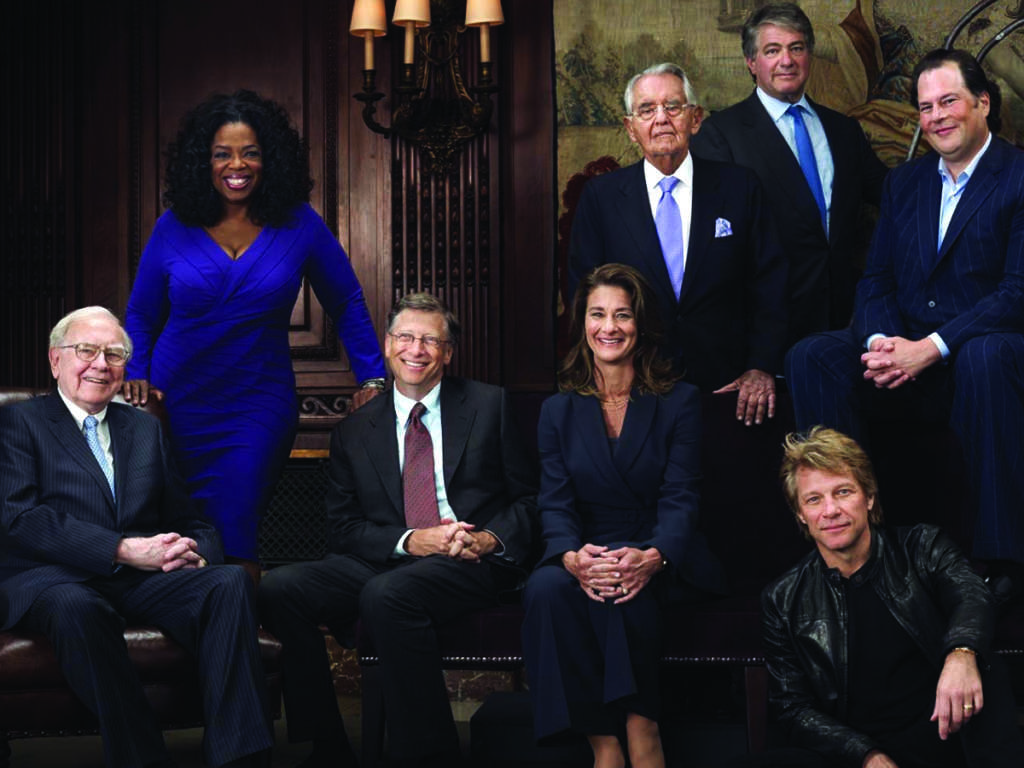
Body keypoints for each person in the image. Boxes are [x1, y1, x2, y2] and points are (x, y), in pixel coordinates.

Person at [258, 293, 538, 768]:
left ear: (448, 353)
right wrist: (410, 541)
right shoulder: (354, 430)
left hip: (467, 557)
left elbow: (531, 500)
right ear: (388, 346)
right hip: (389, 556)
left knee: (388, 595)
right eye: (405, 337)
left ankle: (430, 756)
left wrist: (488, 539)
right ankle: (327, 746)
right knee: (281, 588)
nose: (416, 349)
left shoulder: (489, 405)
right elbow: (344, 529)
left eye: (431, 340)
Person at [785, 49, 1024, 594]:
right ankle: (850, 548)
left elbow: (1017, 293)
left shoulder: (1018, 176)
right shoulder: (905, 183)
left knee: (987, 355)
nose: (936, 116)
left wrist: (931, 347)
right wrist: (881, 343)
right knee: (812, 355)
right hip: (905, 352)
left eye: (948, 101)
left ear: (983, 102)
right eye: (925, 107)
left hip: (982, 357)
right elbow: (876, 280)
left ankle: (1001, 561)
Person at [123, 89, 386, 580]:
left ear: (271, 159)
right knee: (181, 535)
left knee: (236, 524)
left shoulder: (300, 224)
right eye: (222, 153)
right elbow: (141, 313)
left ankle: (240, 626)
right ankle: (199, 625)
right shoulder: (172, 226)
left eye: (250, 152)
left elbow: (347, 301)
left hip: (257, 403)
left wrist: (372, 378)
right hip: (177, 401)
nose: (236, 165)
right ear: (203, 161)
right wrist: (136, 372)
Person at [0, 306, 273, 768]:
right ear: (55, 360)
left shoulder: (143, 427)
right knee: (78, 606)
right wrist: (122, 549)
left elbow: (189, 518)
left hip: (141, 579)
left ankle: (238, 757)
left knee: (227, 583)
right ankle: (142, 756)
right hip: (55, 578)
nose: (101, 364)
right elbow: (20, 518)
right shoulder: (18, 422)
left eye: (114, 354)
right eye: (86, 350)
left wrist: (193, 553)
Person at [523, 264, 726, 768]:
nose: (608, 327)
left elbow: (681, 495)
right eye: (597, 314)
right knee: (546, 588)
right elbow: (555, 501)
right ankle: (604, 744)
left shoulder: (678, 401)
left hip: (660, 547)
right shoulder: (557, 411)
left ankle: (642, 728)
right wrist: (570, 556)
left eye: (622, 314)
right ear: (582, 323)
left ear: (641, 324)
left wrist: (655, 555)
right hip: (586, 546)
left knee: (624, 586)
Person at [747, 427, 1024, 767]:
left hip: (939, 736)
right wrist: (867, 755)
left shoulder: (922, 547)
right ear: (801, 515)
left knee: (987, 671)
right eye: (814, 499)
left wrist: (961, 653)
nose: (830, 510)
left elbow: (972, 594)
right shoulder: (782, 599)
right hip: (853, 751)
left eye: (843, 492)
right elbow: (792, 708)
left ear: (869, 497)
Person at [568, 63, 787, 428]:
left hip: (730, 390)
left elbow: (771, 284)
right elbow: (583, 294)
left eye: (672, 106)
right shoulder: (601, 198)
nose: (661, 119)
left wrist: (761, 366)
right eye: (646, 109)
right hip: (634, 392)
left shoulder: (740, 188)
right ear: (630, 129)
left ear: (695, 119)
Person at [691, 2, 887, 344]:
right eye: (772, 50)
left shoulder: (844, 130)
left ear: (809, 55)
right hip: (768, 331)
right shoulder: (721, 135)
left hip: (847, 322)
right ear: (751, 62)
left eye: (796, 48)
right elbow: (717, 249)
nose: (787, 60)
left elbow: (893, 194)